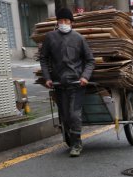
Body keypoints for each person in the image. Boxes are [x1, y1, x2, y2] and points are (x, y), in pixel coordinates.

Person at [38, 7, 94, 157]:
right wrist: (47, 78)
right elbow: (43, 58)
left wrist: (85, 77)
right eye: (61, 20)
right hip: (59, 84)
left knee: (74, 114)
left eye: (67, 21)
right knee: (65, 115)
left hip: (76, 84)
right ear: (57, 22)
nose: (64, 23)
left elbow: (90, 60)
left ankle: (77, 144)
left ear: (71, 23)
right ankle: (71, 138)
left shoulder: (79, 38)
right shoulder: (50, 38)